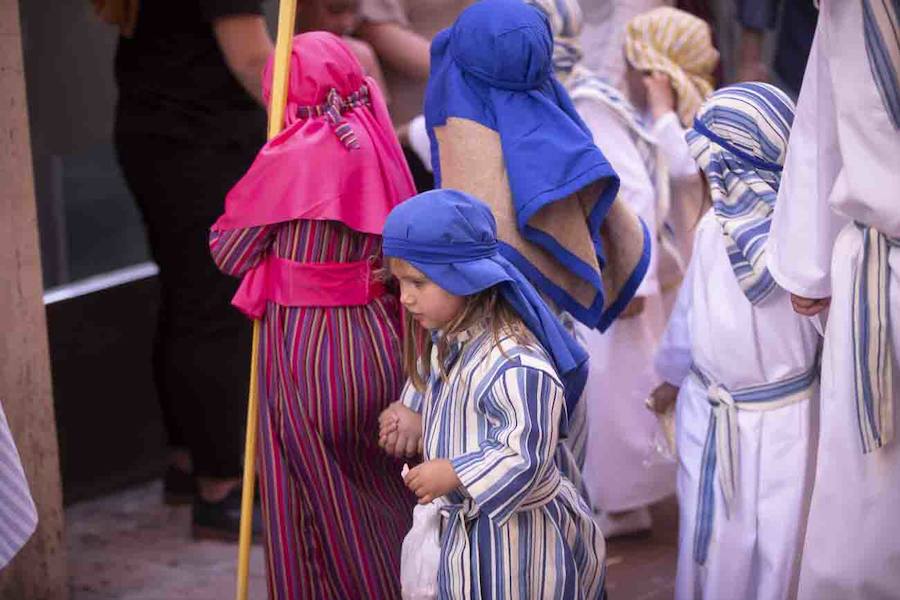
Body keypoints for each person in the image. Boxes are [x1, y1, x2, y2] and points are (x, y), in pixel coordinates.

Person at [209, 33, 417, 599]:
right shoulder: (374, 136)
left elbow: (229, 252)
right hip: (379, 340)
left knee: (319, 503)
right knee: (388, 490)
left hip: (310, 351)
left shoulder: (289, 155)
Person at [379, 189, 607, 599]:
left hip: (520, 547)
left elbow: (526, 452)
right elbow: (434, 383)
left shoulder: (516, 363)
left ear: (464, 277)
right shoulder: (451, 340)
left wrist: (456, 472)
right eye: (400, 282)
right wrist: (411, 410)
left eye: (418, 281)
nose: (406, 297)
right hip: (470, 538)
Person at [100, 0, 273, 538]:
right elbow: (251, 59)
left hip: (156, 132)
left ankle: (187, 462)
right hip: (202, 141)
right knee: (212, 307)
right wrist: (317, 114)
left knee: (184, 296)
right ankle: (221, 487)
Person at [649, 82, 820, 599]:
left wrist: (670, 380)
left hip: (744, 416)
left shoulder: (719, 237)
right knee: (773, 544)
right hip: (777, 416)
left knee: (742, 543)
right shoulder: (807, 247)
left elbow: (687, 326)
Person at [766, 1, 900, 596]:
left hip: (879, 266)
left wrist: (809, 267)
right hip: (880, 269)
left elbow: (821, 127)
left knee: (870, 508)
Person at [573, 3, 718, 536]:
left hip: (698, 278)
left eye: (636, 68)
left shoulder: (691, 119)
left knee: (664, 386)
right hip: (684, 275)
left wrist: (660, 106)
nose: (625, 77)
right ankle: (632, 498)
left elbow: (680, 165)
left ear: (656, 73)